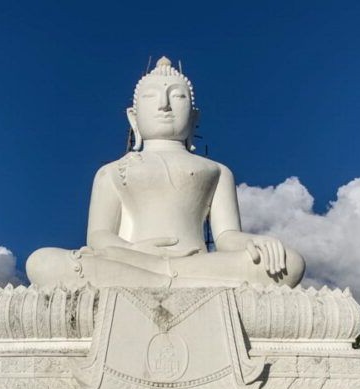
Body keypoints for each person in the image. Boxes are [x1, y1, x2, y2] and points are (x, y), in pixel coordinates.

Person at [26, 56, 305, 289]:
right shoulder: (110, 172)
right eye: (151, 97)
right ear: (133, 117)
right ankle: (180, 282)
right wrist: (136, 252)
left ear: (194, 117)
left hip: (194, 261)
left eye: (177, 97)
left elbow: (226, 237)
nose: (164, 105)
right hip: (132, 260)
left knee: (289, 263)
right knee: (42, 262)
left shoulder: (217, 171)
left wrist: (255, 242)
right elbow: (98, 238)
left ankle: (162, 280)